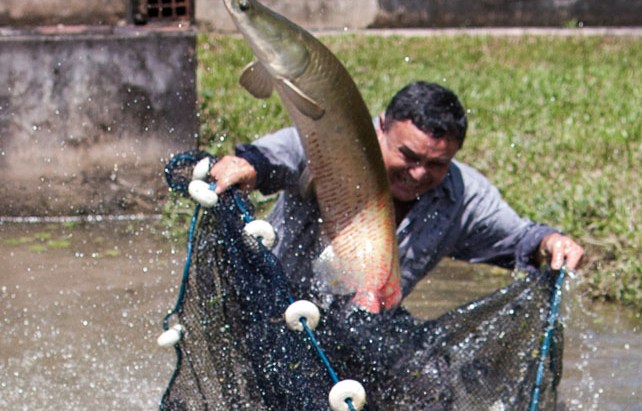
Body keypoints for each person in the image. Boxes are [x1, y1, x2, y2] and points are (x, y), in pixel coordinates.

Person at [206, 81, 584, 301]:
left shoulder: (464, 194)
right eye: (408, 156)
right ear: (381, 127)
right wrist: (250, 164)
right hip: (275, 301)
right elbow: (285, 151)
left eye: (436, 163)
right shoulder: (335, 144)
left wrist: (550, 242)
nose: (418, 174)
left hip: (365, 325)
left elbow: (519, 238)